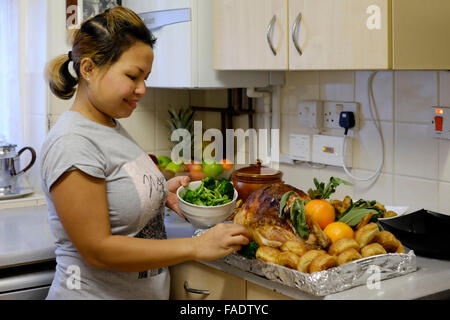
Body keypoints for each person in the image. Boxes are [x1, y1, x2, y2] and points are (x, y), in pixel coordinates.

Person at [42, 6, 250, 300]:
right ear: (88, 69)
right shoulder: (72, 142)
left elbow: (112, 195)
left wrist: (158, 191)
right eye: (132, 76)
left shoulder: (108, 124)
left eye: (146, 78)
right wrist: (196, 246)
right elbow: (98, 250)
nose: (141, 89)